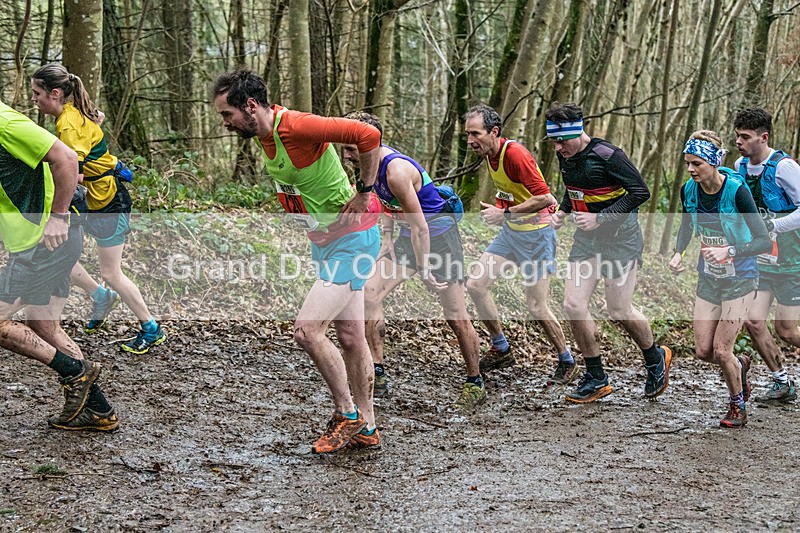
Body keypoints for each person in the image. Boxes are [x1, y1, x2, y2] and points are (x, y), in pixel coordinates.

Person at [212, 70, 384, 452]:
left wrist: (365, 191)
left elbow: (367, 135)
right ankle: (369, 427)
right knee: (353, 337)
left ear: (251, 106)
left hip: (353, 240)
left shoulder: (298, 126)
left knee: (307, 331)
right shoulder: (263, 135)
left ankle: (347, 415)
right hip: (326, 241)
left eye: (228, 115)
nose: (225, 124)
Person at [343, 111, 485, 410]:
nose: (346, 156)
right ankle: (377, 371)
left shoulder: (396, 171)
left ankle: (475, 380)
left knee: (455, 314)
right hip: (409, 236)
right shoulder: (366, 167)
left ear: (371, 145)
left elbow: (421, 225)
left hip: (439, 237)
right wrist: (387, 237)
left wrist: (424, 269)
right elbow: (384, 202)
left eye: (352, 149)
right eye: (344, 148)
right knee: (370, 292)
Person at [31, 64, 166, 354]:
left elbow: (73, 173)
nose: (34, 99)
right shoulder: (70, 117)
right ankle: (99, 297)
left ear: (55, 94)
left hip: (108, 202)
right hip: (92, 200)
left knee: (111, 272)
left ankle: (151, 327)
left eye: (37, 93)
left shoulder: (68, 123)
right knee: (59, 251)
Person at [0, 99, 118, 431]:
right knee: (44, 325)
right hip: (39, 244)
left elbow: (66, 157)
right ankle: (98, 411)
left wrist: (58, 218)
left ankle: (74, 372)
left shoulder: (4, 124)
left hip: (45, 242)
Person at [546, 102, 672, 403]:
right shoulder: (566, 157)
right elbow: (574, 188)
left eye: (562, 140)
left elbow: (641, 192)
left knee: (619, 309)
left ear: (578, 133)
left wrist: (601, 218)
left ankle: (655, 357)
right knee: (573, 305)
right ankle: (596, 377)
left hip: (621, 239)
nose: (558, 147)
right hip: (587, 241)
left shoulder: (608, 155)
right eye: (554, 141)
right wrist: (564, 211)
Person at [462, 104, 574, 385]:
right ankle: (501, 347)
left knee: (536, 307)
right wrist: (503, 210)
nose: (469, 140)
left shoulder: (515, 154)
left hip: (537, 236)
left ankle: (566, 360)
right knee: (476, 285)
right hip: (511, 234)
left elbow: (546, 198)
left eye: (475, 133)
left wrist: (505, 213)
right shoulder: (489, 154)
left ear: (494, 132)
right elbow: (511, 191)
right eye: (467, 134)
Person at [669, 130, 771, 427]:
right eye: (687, 163)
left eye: (697, 163)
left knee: (721, 349)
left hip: (741, 277)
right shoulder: (689, 190)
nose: (690, 169)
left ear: (713, 162)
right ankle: (740, 367)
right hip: (709, 277)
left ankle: (737, 406)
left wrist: (729, 250)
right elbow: (686, 225)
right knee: (703, 351)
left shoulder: (737, 192)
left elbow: (763, 241)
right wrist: (678, 253)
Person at [733, 108, 800, 404]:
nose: (739, 142)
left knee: (786, 330)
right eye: (737, 135)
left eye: (745, 137)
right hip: (761, 259)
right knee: (753, 320)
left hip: (791, 260)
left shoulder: (785, 168)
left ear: (764, 137)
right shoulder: (740, 166)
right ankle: (781, 380)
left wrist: (773, 225)